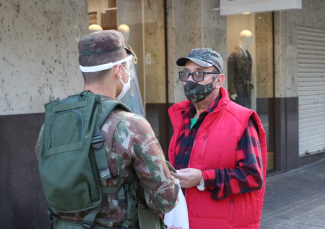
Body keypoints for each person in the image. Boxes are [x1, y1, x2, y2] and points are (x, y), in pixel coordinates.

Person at [35, 30, 179, 228]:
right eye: (128, 67)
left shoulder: (52, 124)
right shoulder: (131, 125)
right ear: (118, 70)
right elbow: (165, 201)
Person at [168, 48, 267, 229]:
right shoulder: (182, 117)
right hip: (183, 220)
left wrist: (203, 178)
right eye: (187, 74)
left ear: (219, 80)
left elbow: (252, 176)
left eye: (199, 74)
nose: (190, 80)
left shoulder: (241, 120)